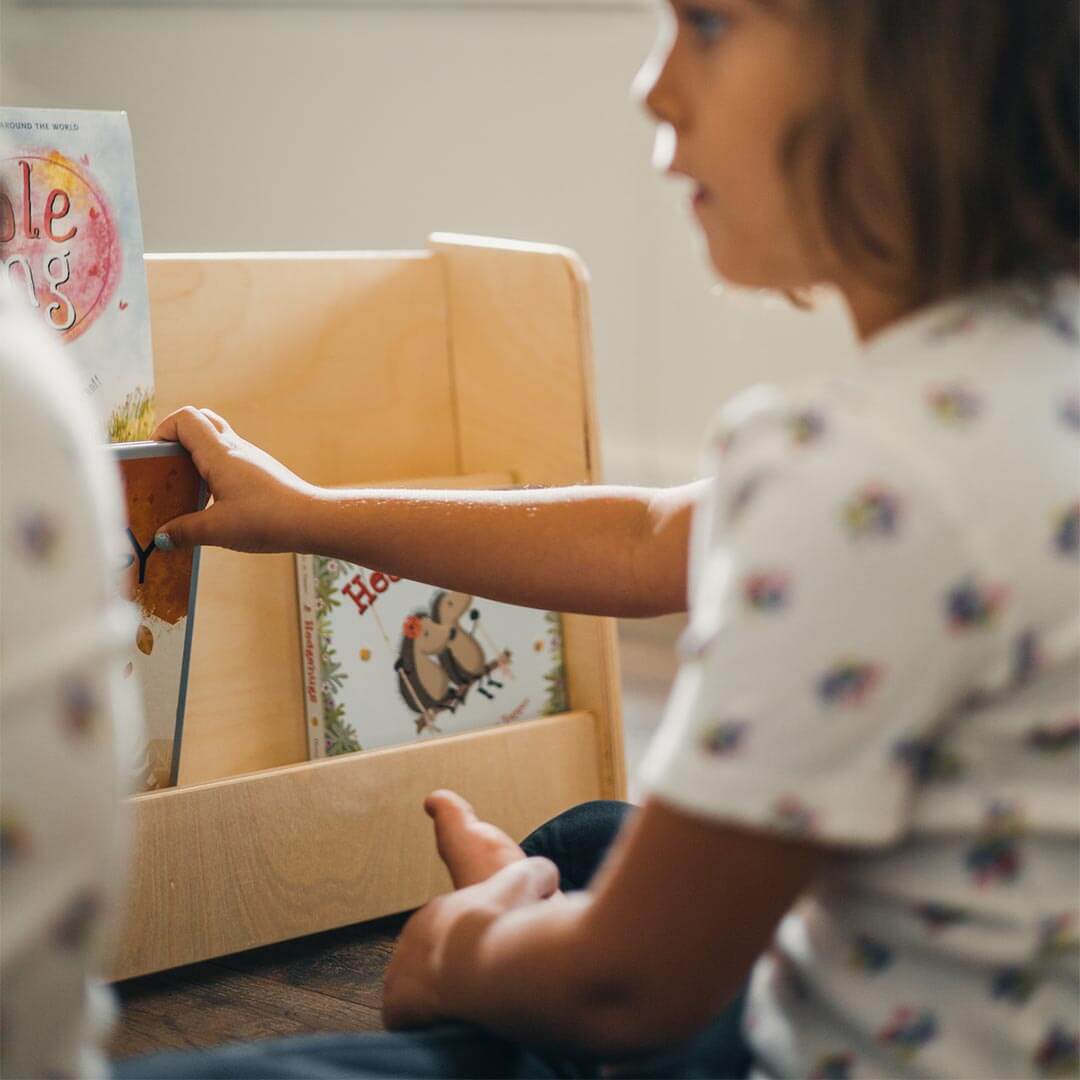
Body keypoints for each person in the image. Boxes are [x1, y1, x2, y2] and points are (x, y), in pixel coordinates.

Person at [120, 0, 1079, 1076]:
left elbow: (627, 989)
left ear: (921, 68)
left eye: (708, 24)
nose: (653, 87)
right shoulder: (1023, 393)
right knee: (585, 842)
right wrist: (305, 510)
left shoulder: (867, 472)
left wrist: (465, 947)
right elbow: (644, 537)